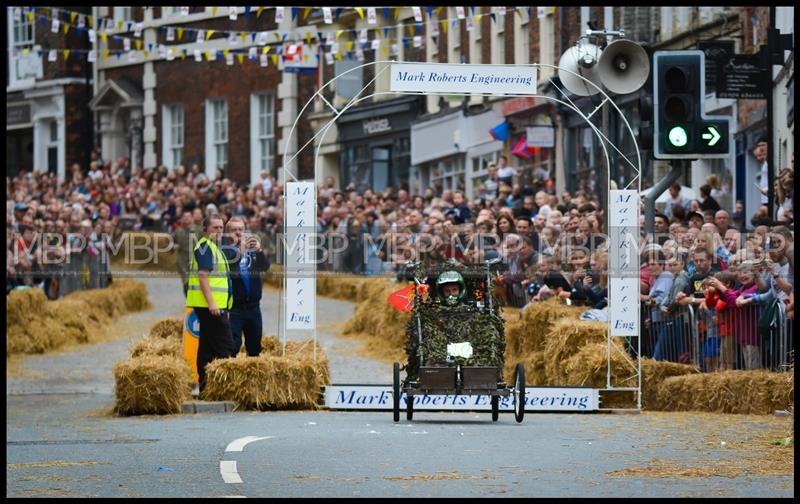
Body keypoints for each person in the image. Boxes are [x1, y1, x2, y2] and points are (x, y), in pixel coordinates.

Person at [186, 215, 236, 396]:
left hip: (210, 305)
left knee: (207, 346)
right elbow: (202, 276)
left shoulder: (214, 247)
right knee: (225, 346)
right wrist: (212, 303)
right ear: (205, 229)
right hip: (211, 307)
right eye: (215, 227)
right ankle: (226, 389)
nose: (219, 231)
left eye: (221, 227)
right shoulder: (206, 247)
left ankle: (206, 388)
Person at [222, 216, 270, 357]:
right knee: (233, 345)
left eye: (241, 229)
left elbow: (265, 267)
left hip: (254, 306)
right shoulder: (224, 249)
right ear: (227, 232)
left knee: (255, 346)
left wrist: (259, 251)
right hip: (235, 307)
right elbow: (230, 266)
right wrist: (241, 250)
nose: (238, 232)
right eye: (234, 230)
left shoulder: (251, 249)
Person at [172, 211, 195, 296]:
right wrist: (173, 246)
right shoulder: (178, 231)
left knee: (195, 283)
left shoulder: (198, 231)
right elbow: (169, 243)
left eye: (188, 216)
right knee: (186, 282)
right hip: (183, 262)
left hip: (196, 260)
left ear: (192, 218)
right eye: (184, 217)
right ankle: (189, 301)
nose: (186, 218)